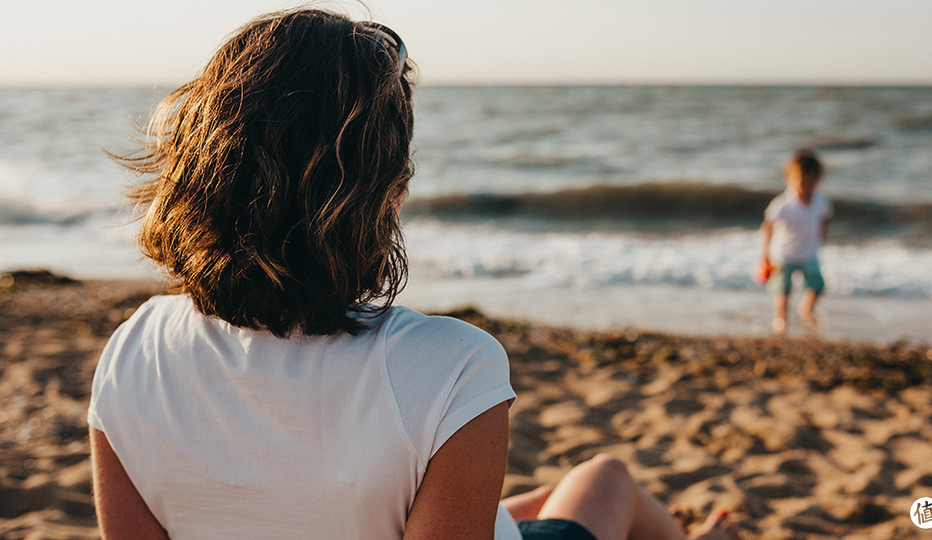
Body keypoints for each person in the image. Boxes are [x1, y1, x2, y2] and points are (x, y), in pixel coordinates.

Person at [88, 8, 740, 540]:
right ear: (383, 193)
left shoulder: (130, 354)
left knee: (527, 502)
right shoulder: (453, 368)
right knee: (609, 479)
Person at [759, 148, 832, 334]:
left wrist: (820, 238)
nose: (806, 187)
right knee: (783, 291)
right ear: (788, 179)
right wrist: (765, 255)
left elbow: (823, 220)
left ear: (818, 180)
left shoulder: (821, 201)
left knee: (818, 286)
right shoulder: (783, 204)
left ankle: (806, 308)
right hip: (784, 254)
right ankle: (780, 321)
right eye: (802, 182)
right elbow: (767, 227)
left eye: (811, 182)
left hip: (809, 253)